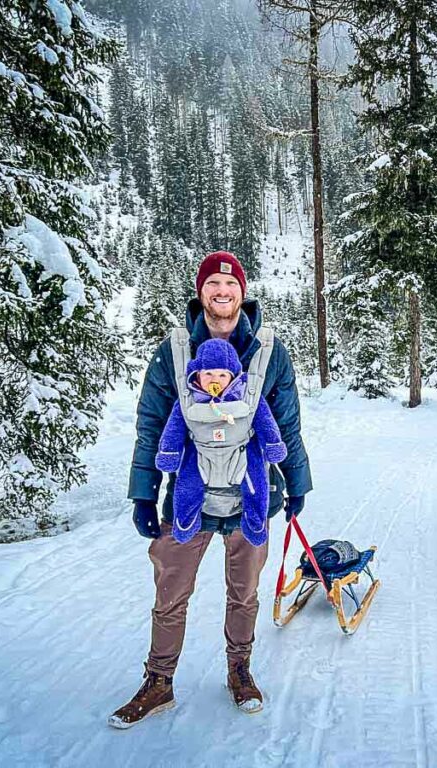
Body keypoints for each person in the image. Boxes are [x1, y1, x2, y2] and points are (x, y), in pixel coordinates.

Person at [109, 251, 312, 728]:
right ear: (200, 292)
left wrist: (297, 482)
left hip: (251, 498)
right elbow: (152, 424)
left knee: (244, 592)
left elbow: (287, 422)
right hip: (187, 497)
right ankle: (159, 681)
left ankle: (239, 669)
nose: (222, 292)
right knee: (170, 590)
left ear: (243, 291)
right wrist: (143, 491)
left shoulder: (268, 349)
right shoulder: (174, 350)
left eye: (230, 284)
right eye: (212, 284)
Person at [155, 337, 287, 546]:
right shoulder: (189, 399)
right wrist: (169, 452)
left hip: (240, 451)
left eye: (222, 374)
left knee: (256, 482)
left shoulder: (248, 397)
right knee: (187, 485)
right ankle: (185, 522)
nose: (214, 379)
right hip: (200, 453)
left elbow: (265, 420)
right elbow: (174, 426)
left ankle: (255, 522)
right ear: (197, 374)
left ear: (233, 376)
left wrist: (273, 444)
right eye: (208, 373)